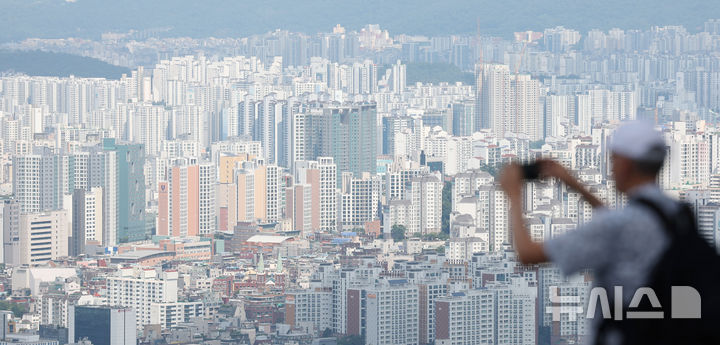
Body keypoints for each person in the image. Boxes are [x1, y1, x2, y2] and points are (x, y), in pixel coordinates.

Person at [500, 121, 675, 345]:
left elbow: (527, 254)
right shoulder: (675, 213)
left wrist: (514, 194)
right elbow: (620, 227)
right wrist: (573, 184)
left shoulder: (617, 228)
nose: (611, 168)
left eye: (613, 159)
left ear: (627, 165)